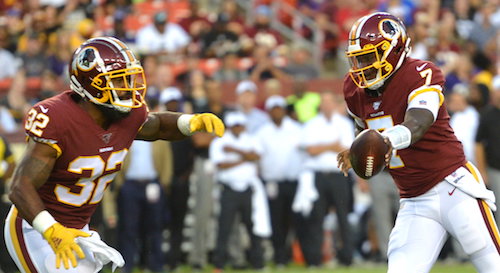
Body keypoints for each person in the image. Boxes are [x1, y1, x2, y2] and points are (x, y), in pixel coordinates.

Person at [3, 36, 224, 273]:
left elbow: (157, 126)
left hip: (79, 228)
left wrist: (190, 122)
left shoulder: (127, 115)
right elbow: (20, 186)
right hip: (37, 228)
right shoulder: (58, 119)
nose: (128, 86)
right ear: (90, 84)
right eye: (118, 80)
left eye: (128, 78)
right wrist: (52, 231)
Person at [337, 12, 500, 273]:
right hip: (414, 199)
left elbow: (418, 123)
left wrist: (386, 140)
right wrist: (358, 148)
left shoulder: (420, 72)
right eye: (357, 59)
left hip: (453, 187)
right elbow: (365, 129)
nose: (361, 66)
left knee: (493, 264)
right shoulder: (353, 89)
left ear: (394, 49)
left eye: (369, 57)